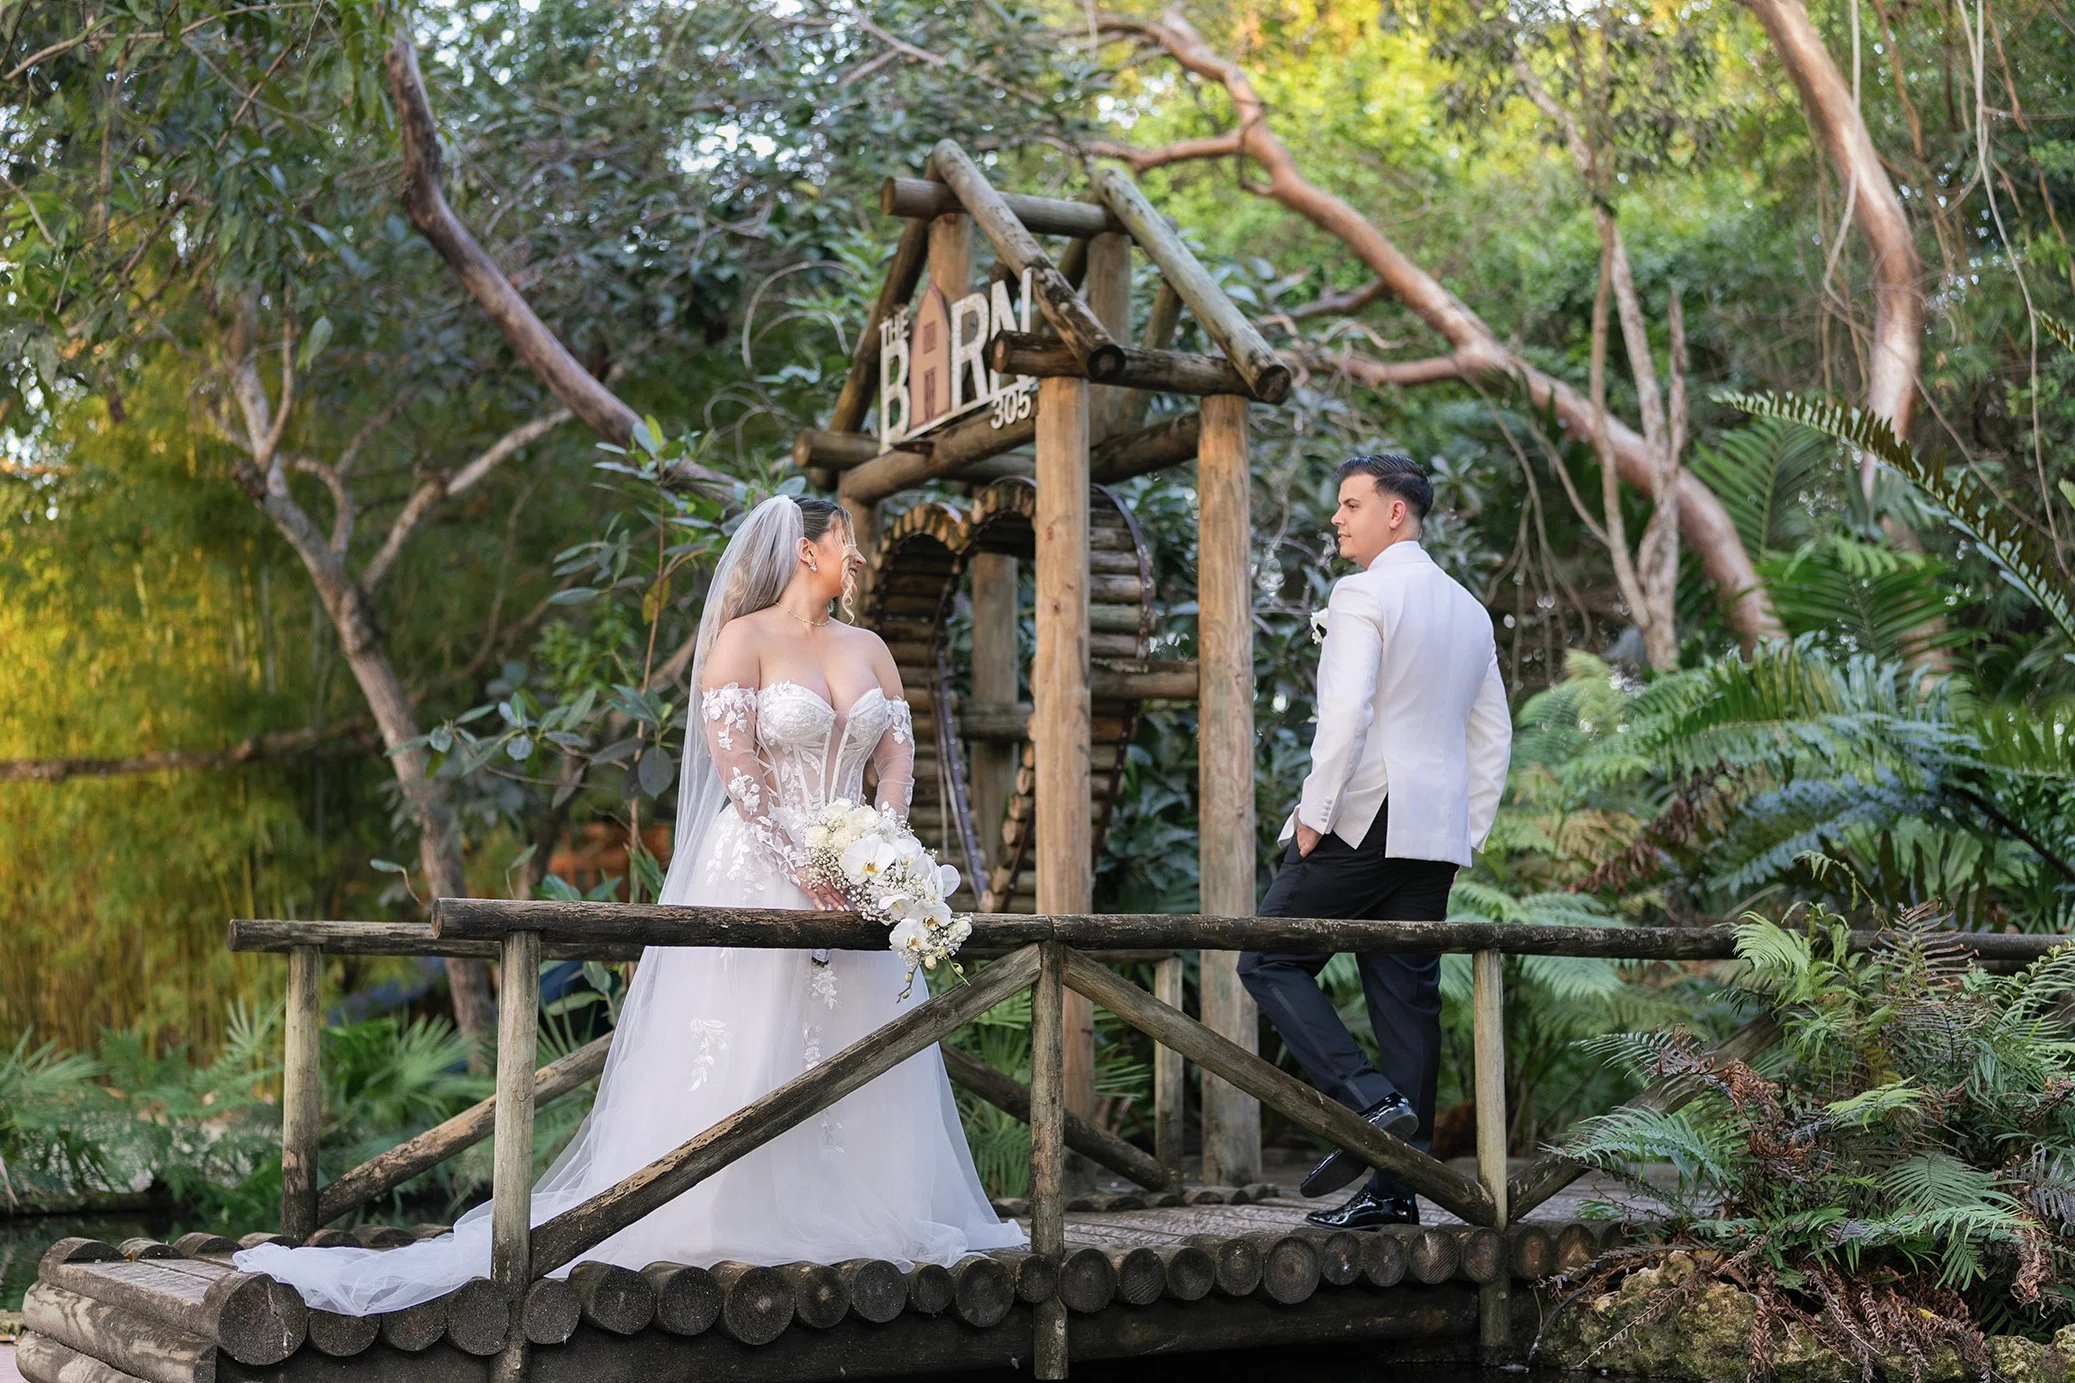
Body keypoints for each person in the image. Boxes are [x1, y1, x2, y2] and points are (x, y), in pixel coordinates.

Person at [238, 495, 1023, 1314]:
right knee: (749, 1037)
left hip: (858, 886)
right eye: (846, 540)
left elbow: (898, 756)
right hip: (758, 866)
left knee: (854, 1043)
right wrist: (804, 864)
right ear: (803, 551)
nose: (856, 556)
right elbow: (742, 773)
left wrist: (880, 848)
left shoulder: (870, 648)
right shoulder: (742, 641)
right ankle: (707, 1210)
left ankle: (867, 1210)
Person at [1239, 454, 1512, 1232]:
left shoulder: (1362, 591)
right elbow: (1492, 734)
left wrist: (1313, 816)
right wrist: (1469, 828)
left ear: (1395, 513)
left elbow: (1346, 715)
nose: (1337, 517)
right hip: (1433, 833)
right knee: (1406, 1002)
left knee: (1266, 956)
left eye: (1351, 504)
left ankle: (1370, 1100)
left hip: (1360, 816)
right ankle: (1395, 1192)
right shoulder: (1467, 608)